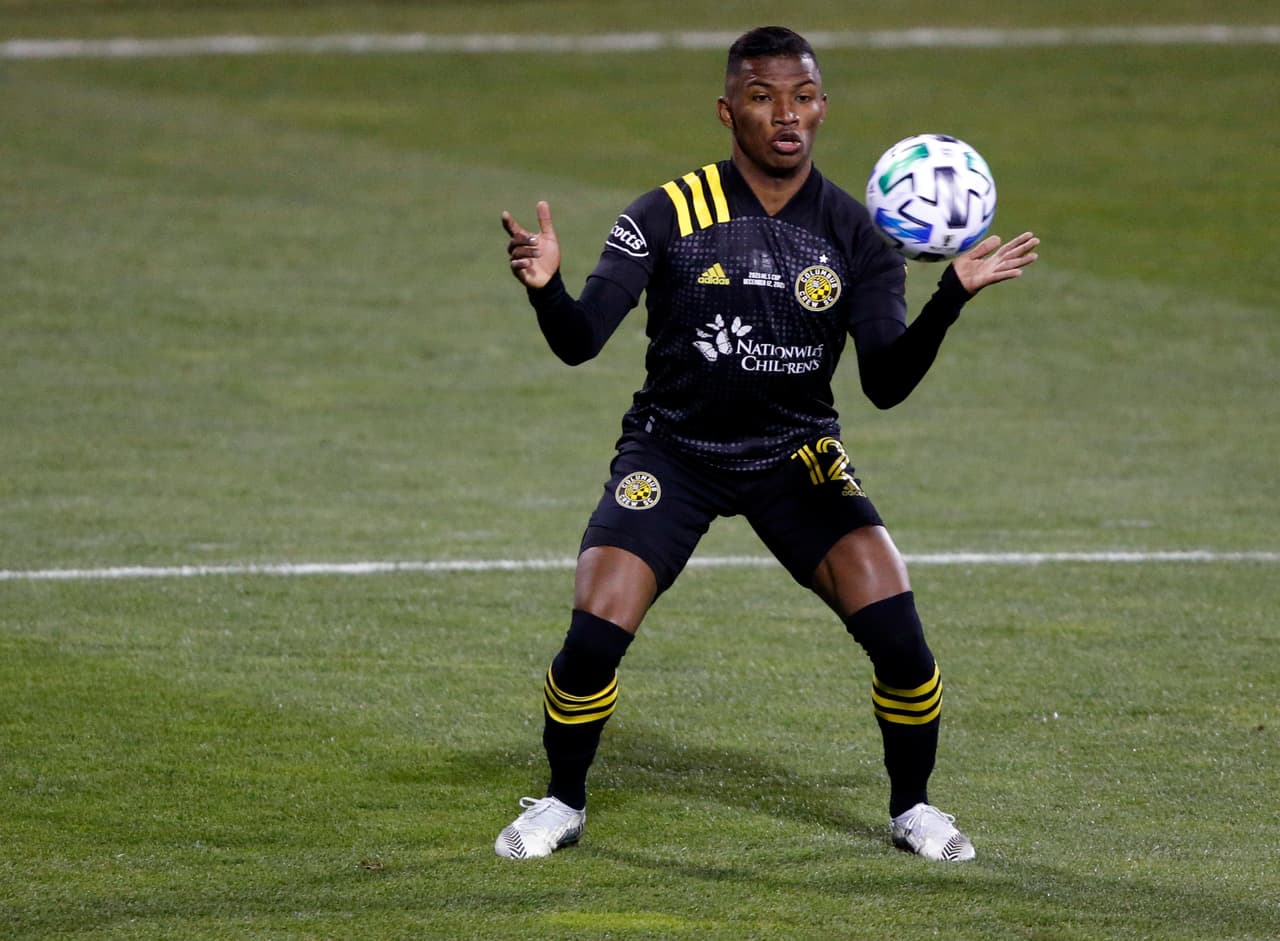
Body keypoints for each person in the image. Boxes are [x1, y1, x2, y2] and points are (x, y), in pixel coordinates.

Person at [495, 25, 1038, 862]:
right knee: (594, 634)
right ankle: (562, 800)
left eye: (804, 97)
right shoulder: (665, 213)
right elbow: (580, 340)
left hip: (796, 454)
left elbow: (885, 383)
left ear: (822, 107)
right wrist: (546, 289)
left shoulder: (857, 234)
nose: (787, 115)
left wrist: (950, 299)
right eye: (762, 97)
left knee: (901, 638)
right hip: (674, 451)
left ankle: (913, 808)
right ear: (727, 111)